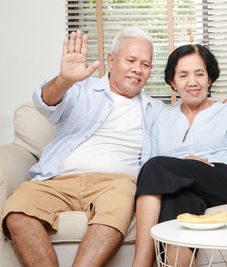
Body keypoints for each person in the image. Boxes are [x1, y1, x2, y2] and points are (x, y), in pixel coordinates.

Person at [0, 28, 164, 267]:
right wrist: (64, 80)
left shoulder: (155, 110)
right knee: (17, 211)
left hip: (116, 184)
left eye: (145, 64)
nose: (138, 69)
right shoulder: (79, 88)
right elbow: (45, 102)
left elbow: (186, 126)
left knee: (118, 207)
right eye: (130, 60)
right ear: (111, 60)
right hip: (56, 180)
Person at [132, 44, 227, 267]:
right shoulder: (162, 120)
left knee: (155, 167)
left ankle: (141, 263)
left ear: (209, 79)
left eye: (199, 74)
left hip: (225, 181)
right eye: (183, 75)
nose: (192, 82)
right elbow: (150, 178)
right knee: (178, 205)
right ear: (173, 82)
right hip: (184, 190)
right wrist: (185, 166)